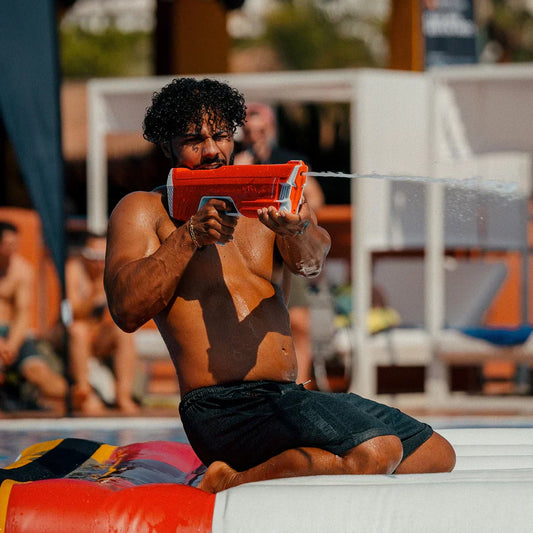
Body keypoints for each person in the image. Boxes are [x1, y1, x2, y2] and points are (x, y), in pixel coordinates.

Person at [103, 78, 456, 493]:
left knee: (436, 455)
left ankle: (274, 470)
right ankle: (230, 480)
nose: (212, 151)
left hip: (286, 397)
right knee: (377, 451)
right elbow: (126, 310)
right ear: (167, 145)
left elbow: (312, 262)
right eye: (194, 141)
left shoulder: (267, 196)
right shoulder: (144, 209)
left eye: (220, 136)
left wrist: (297, 230)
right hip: (222, 408)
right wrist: (189, 236)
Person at [235, 102, 324, 384]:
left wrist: (296, 217)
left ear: (271, 130)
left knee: (298, 321)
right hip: (250, 249)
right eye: (249, 132)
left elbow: (316, 198)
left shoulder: (288, 161)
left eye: (260, 131)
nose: (255, 137)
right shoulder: (237, 162)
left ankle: (302, 385)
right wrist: (238, 173)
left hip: (283, 244)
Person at [66, 232, 139, 415]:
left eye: (102, 256)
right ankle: (84, 391)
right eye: (94, 256)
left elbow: (125, 312)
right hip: (75, 333)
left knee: (124, 333)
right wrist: (93, 294)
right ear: (84, 255)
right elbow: (71, 313)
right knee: (78, 331)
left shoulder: (112, 271)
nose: (99, 262)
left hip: (98, 335)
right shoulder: (74, 270)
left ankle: (123, 395)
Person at [0, 221, 67, 410]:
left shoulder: (22, 270)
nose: (13, 248)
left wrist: (11, 346)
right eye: (8, 244)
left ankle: (75, 394)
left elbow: (23, 313)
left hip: (14, 335)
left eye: (15, 244)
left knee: (37, 372)